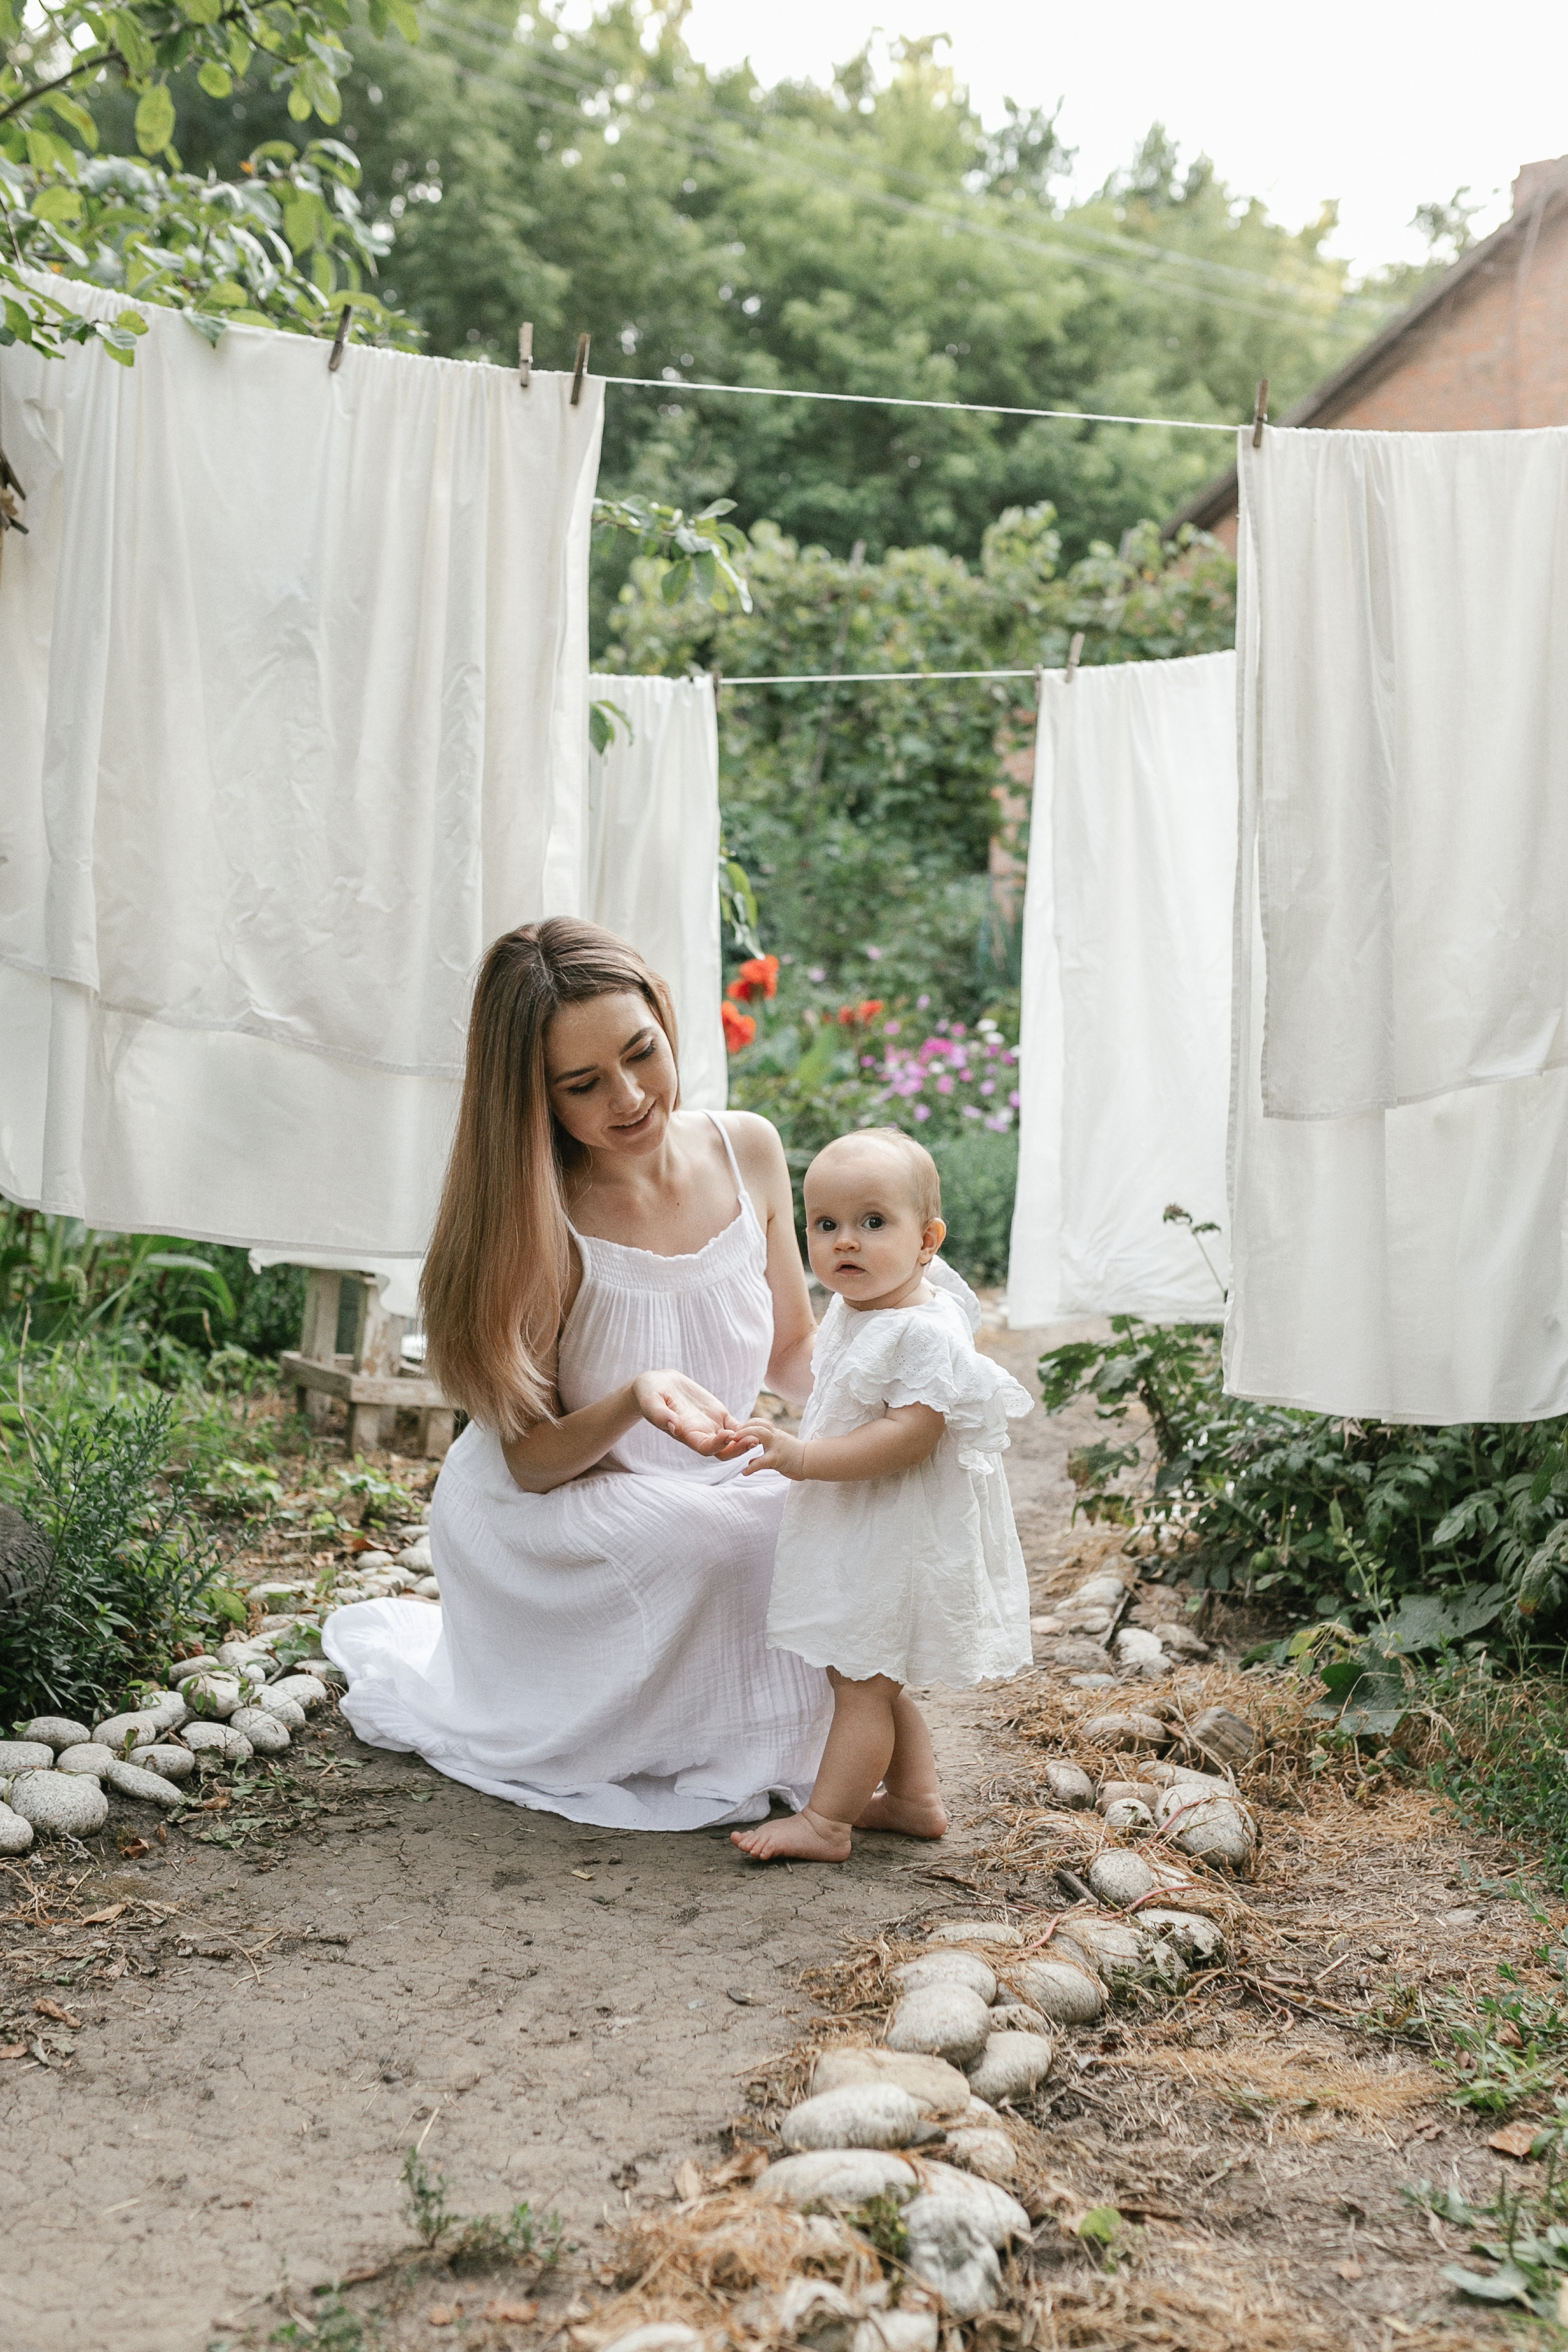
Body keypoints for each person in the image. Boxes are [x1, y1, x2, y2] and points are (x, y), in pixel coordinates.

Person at [323, 919, 832, 1831]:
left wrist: (884, 1402)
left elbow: (794, 1348)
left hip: (703, 1480)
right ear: (535, 1098)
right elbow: (530, 1462)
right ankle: (711, 1736)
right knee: (735, 1541)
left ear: (667, 1023)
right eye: (584, 1085)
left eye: (642, 1053)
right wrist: (635, 1398)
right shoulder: (540, 1216)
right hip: (553, 1508)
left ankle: (780, 1737)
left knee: (830, 1505)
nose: (631, 1097)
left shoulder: (746, 1148)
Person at [721, 1129, 1034, 1863]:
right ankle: (916, 1801)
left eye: (872, 1222)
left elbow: (909, 1436)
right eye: (826, 1226)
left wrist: (800, 1454)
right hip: (867, 1523)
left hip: (897, 1533)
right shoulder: (862, 1308)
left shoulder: (920, 1333)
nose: (845, 1243)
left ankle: (827, 1824)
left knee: (861, 1682)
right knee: (868, 1672)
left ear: (927, 1240)